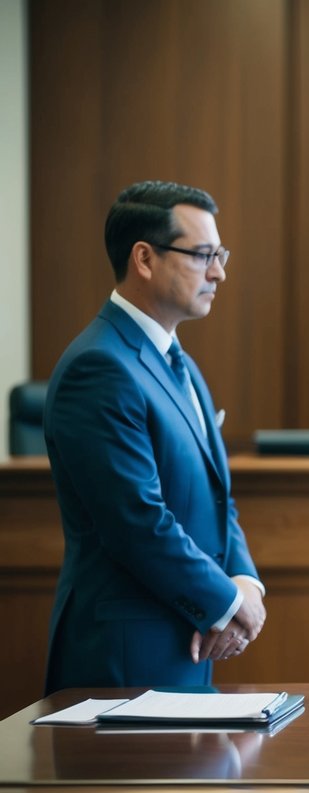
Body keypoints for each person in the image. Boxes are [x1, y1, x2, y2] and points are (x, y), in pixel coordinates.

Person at [43, 180, 266, 692]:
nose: (219, 271)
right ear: (144, 258)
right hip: (125, 657)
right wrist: (228, 603)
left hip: (187, 640)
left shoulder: (179, 362)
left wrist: (244, 584)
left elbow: (217, 498)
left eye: (221, 254)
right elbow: (137, 521)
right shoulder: (100, 367)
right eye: (203, 255)